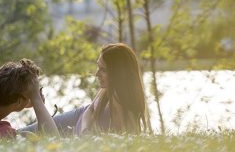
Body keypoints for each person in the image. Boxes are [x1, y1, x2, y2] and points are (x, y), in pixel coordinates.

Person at [20, 43, 148, 135]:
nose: (97, 73)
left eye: (102, 70)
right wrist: (84, 132)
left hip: (78, 129)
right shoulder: (106, 91)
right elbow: (90, 110)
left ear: (117, 73)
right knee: (24, 133)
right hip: (77, 118)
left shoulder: (128, 112)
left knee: (38, 136)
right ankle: (1, 132)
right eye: (98, 67)